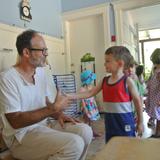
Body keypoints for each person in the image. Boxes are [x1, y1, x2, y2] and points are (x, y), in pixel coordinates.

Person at [0, 30, 93, 160]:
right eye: (42, 50)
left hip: (43, 125)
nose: (46, 54)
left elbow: (44, 103)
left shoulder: (40, 73)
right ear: (26, 52)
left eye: (46, 50)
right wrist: (53, 108)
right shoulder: (7, 78)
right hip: (20, 137)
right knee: (74, 144)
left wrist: (59, 114)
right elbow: (15, 121)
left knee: (85, 131)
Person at [72, 46, 144, 143]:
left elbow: (138, 102)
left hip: (125, 124)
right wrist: (70, 96)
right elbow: (90, 93)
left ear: (120, 63)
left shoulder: (127, 81)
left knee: (127, 148)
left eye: (108, 61)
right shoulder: (104, 81)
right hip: (110, 125)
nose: (104, 64)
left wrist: (140, 122)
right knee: (111, 147)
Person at [80, 70, 102, 138]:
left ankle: (93, 132)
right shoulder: (82, 89)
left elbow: (93, 97)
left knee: (91, 121)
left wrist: (97, 105)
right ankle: (87, 134)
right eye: (91, 79)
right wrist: (85, 109)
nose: (92, 81)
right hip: (86, 106)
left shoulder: (91, 87)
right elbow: (82, 100)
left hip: (92, 106)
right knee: (87, 120)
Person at [145, 48, 160, 137]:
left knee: (159, 116)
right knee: (158, 117)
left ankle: (158, 134)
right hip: (154, 96)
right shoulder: (156, 70)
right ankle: (157, 133)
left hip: (157, 98)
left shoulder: (159, 72)